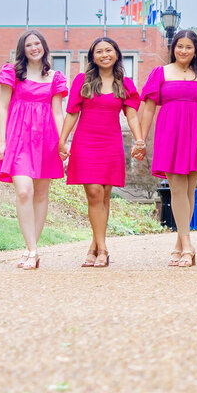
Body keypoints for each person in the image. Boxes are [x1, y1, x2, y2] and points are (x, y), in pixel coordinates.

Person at [136, 29, 197, 267]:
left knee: (190, 190)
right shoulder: (160, 73)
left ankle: (179, 245)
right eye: (179, 46)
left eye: (188, 47)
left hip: (196, 132)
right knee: (178, 189)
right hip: (169, 132)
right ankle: (188, 245)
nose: (183, 51)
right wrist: (141, 138)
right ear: (173, 48)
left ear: (195, 50)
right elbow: (148, 108)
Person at [58, 37, 141, 268]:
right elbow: (72, 112)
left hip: (111, 143)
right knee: (94, 193)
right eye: (99, 51)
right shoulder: (83, 81)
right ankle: (103, 249)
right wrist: (63, 140)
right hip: (86, 142)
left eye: (109, 50)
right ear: (92, 57)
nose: (104, 55)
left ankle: (95, 246)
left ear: (116, 54)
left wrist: (139, 138)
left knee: (104, 195)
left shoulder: (125, 84)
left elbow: (132, 114)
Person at [0, 29, 68, 270]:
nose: (34, 48)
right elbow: (3, 108)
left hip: (46, 139)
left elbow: (58, 112)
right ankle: (31, 248)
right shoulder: (12, 73)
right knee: (24, 191)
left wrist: (63, 141)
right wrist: (2, 141)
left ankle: (31, 250)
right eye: (29, 45)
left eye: (38, 43)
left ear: (44, 47)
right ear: (22, 50)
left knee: (41, 194)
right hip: (18, 138)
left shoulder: (55, 77)